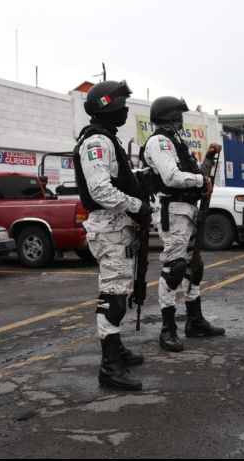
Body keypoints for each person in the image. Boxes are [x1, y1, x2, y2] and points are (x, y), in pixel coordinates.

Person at [74, 80, 149, 391]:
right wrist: (137, 206)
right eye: (122, 103)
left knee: (121, 290)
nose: (126, 109)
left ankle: (116, 349)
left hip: (118, 226)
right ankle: (110, 367)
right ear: (109, 106)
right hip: (109, 227)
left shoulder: (108, 139)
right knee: (113, 298)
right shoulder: (97, 142)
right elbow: (101, 189)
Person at [141, 96, 225, 352]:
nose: (181, 120)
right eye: (178, 116)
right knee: (174, 268)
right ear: (170, 117)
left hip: (187, 210)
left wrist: (208, 159)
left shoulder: (175, 142)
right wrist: (201, 182)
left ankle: (195, 321)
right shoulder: (160, 141)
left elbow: (194, 172)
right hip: (173, 211)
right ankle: (168, 329)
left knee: (193, 266)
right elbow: (172, 177)